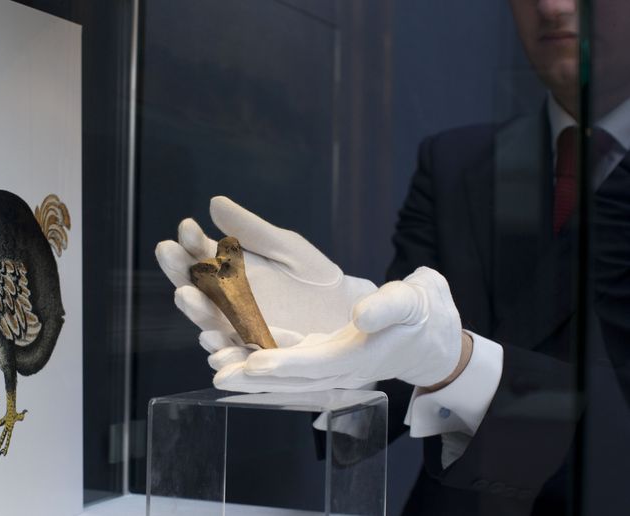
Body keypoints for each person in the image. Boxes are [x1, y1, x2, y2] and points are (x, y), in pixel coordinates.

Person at [155, 0, 630, 513]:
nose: (552, 5)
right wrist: (352, 348)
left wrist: (457, 365)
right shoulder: (453, 163)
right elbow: (406, 346)